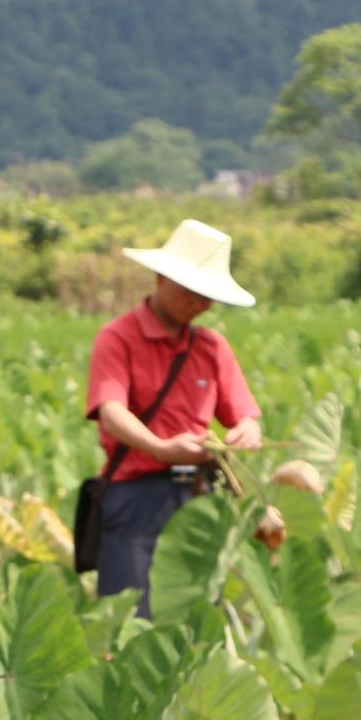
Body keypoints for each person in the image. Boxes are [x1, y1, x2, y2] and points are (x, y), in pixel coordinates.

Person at [82, 219, 263, 613]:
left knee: (196, 620)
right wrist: (162, 449)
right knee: (132, 619)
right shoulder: (118, 337)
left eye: (206, 296)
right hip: (135, 497)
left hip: (199, 495)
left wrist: (246, 430)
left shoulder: (211, 347)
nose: (198, 303)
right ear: (160, 278)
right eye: (189, 291)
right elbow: (111, 412)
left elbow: (244, 414)